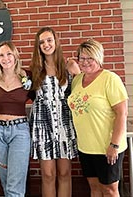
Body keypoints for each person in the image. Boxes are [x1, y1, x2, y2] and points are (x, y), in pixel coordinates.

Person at [68, 39, 128, 196]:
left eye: (90, 58)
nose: (86, 62)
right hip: (86, 147)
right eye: (82, 58)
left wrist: (114, 145)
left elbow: (122, 113)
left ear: (99, 58)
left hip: (106, 147)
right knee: (94, 188)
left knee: (109, 190)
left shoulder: (110, 79)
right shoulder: (77, 80)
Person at [29, 26, 80, 197]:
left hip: (65, 124)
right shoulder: (35, 70)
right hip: (43, 125)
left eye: (49, 40)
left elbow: (80, 95)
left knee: (65, 173)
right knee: (48, 174)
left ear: (56, 42)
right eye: (42, 42)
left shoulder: (69, 66)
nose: (46, 44)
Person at [0, 41, 34, 196]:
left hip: (19, 131)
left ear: (15, 56)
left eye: (9, 54)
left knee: (15, 181)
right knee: (5, 178)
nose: (5, 58)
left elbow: (38, 99)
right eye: (1, 55)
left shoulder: (28, 76)